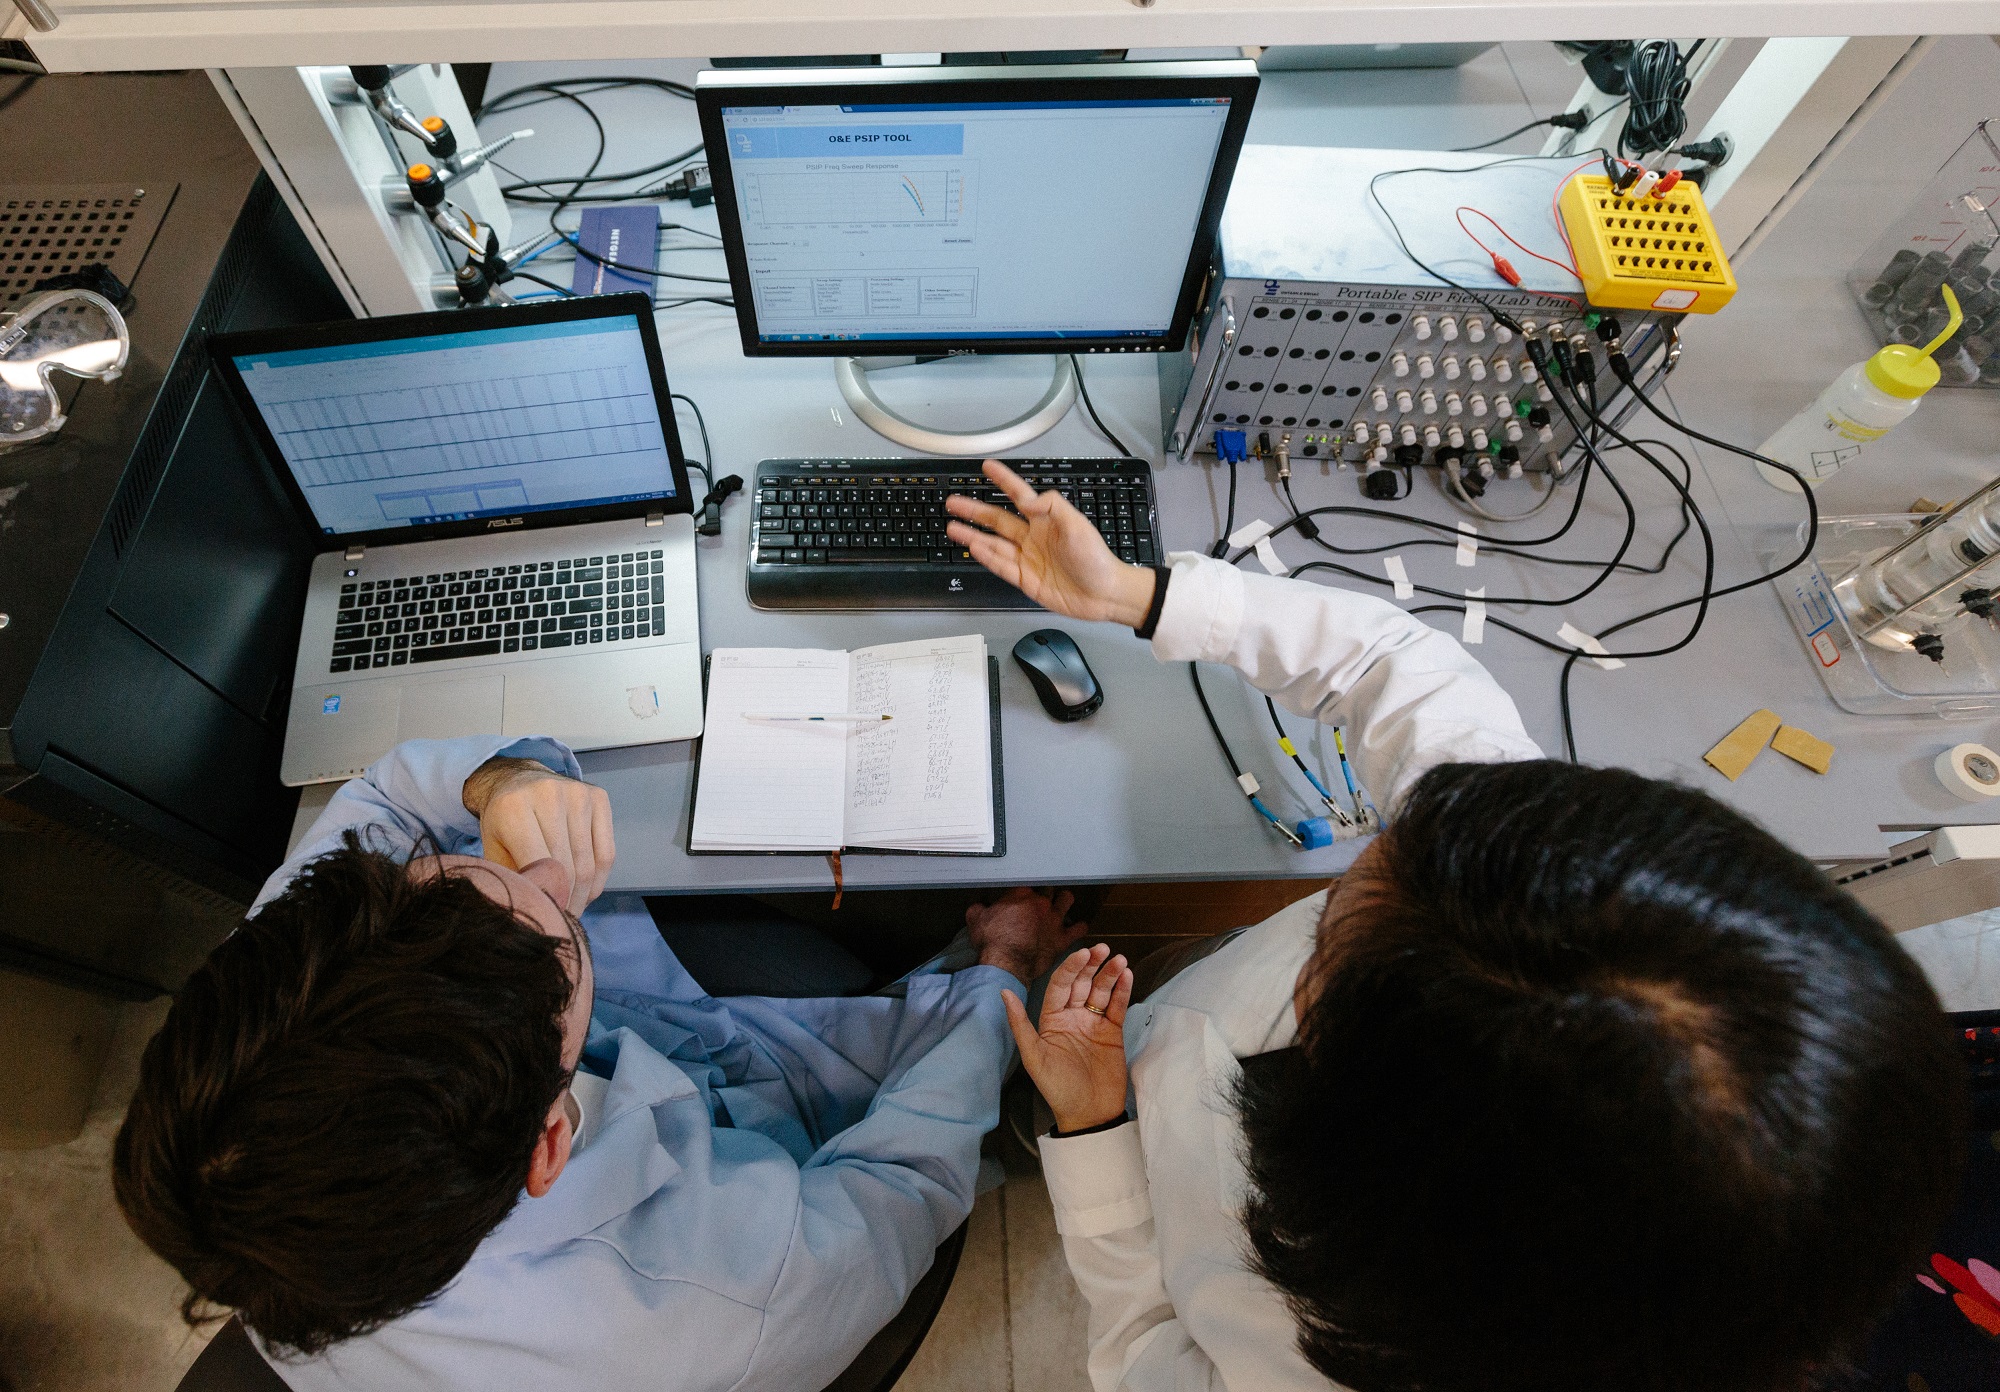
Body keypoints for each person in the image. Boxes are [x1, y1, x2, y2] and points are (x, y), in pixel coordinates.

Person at [944, 460, 1968, 1392]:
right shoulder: (1536, 890)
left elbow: (1143, 1353)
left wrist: (1093, 1138)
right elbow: (1398, 668)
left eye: (1339, 921)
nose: (1344, 888)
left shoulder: (1297, 1360)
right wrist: (1139, 593)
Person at [113, 736, 1083, 1390]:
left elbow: (382, 795)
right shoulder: (723, 1294)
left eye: (447, 873)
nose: (542, 875)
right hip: (783, 1192)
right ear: (549, 1142)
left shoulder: (292, 982)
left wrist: (503, 782)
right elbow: (903, 1181)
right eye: (554, 939)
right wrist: (998, 971)